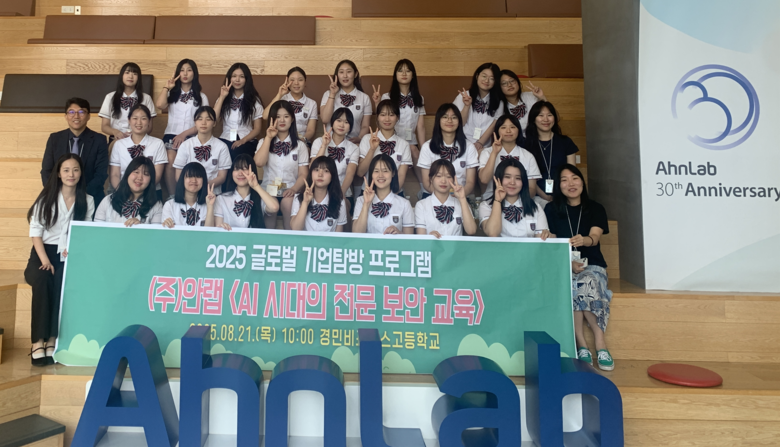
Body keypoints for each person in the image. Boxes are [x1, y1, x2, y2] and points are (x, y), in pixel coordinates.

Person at [26, 153, 94, 366]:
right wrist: (45, 261)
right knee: (43, 279)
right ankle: (37, 341)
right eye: (66, 170)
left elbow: (84, 235)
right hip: (42, 253)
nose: (71, 174)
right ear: (58, 173)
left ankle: (53, 340)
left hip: (69, 254)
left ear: (81, 173)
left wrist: (73, 256)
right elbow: (36, 233)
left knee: (62, 283)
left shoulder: (88, 200)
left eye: (75, 169)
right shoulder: (46, 198)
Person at [544, 164, 613, 371]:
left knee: (584, 282)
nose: (570, 184)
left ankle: (599, 343)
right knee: (570, 284)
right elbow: (552, 241)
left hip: (592, 265)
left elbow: (595, 237)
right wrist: (548, 237)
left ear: (582, 181)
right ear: (559, 186)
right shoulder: (551, 210)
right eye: (564, 180)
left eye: (574, 178)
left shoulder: (596, 208)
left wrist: (585, 240)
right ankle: (582, 344)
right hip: (563, 264)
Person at [371, 59, 427, 196]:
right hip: (391, 140)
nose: (404, 73)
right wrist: (377, 103)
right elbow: (381, 119)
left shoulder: (419, 98)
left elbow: (420, 126)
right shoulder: (387, 96)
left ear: (413, 75)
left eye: (408, 71)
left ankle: (424, 189)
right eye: (400, 70)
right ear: (395, 75)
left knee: (414, 149)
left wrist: (424, 149)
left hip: (411, 142)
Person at [41, 97, 109, 207]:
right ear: (66, 116)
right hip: (59, 198)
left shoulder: (99, 140)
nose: (76, 116)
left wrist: (82, 195)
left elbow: (101, 174)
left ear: (88, 116)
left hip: (91, 197)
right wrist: (60, 195)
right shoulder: (55, 139)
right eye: (71, 112)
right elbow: (46, 171)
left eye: (81, 112)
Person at [156, 59, 209, 198]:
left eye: (189, 70)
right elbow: (160, 105)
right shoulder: (171, 93)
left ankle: (189, 196)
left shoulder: (201, 97)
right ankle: (173, 196)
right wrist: (166, 87)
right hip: (171, 135)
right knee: (170, 159)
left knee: (189, 163)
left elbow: (204, 123)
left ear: (194, 73)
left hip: (192, 136)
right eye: (182, 70)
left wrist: (184, 134)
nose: (185, 73)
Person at [254, 100, 309, 230]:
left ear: (292, 119)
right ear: (272, 119)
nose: (282, 120)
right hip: (268, 190)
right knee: (270, 205)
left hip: (290, 190)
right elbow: (259, 163)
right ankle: (269, 239)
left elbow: (303, 174)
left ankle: (289, 240)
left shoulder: (300, 146)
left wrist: (293, 189)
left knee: (288, 203)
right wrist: (268, 138)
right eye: (278, 117)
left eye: (286, 116)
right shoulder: (263, 141)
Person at [479, 158, 550, 238]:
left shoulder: (535, 207)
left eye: (518, 178)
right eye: (507, 177)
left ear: (523, 182)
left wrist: (546, 235)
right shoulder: (486, 206)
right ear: (497, 179)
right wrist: (497, 201)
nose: (512, 182)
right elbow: (493, 233)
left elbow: (540, 241)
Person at [418, 104, 479, 198]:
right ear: (438, 121)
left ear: (459, 122)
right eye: (445, 117)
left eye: (454, 117)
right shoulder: (427, 147)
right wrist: (445, 197)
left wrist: (459, 195)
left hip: (460, 196)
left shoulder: (469, 147)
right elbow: (426, 182)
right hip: (433, 196)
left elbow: (470, 182)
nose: (449, 120)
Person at [525, 101, 578, 206]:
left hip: (563, 195)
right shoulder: (526, 145)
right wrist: (545, 196)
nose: (546, 119)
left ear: (554, 118)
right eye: (541, 115)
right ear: (533, 119)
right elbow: (527, 177)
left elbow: (571, 173)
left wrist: (561, 195)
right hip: (536, 197)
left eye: (549, 115)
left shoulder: (566, 142)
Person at [108, 104, 166, 198]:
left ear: (149, 121)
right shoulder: (119, 144)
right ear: (129, 120)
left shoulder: (158, 144)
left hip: (150, 193)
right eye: (135, 118)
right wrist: (124, 193)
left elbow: (157, 175)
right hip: (123, 192)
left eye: (143, 118)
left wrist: (139, 194)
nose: (139, 122)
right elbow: (114, 175)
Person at [357, 100, 412, 196]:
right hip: (369, 192)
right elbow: (360, 172)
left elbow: (401, 175)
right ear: (377, 117)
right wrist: (372, 149)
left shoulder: (404, 144)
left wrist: (388, 197)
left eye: (391, 115)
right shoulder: (367, 139)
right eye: (383, 115)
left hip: (395, 193)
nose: (387, 119)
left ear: (397, 117)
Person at [479, 114, 541, 198]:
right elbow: (484, 180)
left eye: (512, 127)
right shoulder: (487, 153)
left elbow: (532, 189)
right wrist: (494, 153)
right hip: (492, 198)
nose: (508, 131)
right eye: (503, 127)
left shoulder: (528, 156)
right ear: (497, 131)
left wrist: (514, 200)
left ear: (518, 130)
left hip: (520, 200)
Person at [173, 106, 231, 194]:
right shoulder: (185, 145)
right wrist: (193, 187)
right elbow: (178, 175)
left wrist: (203, 186)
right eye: (200, 119)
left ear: (214, 123)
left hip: (213, 193)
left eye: (208, 119)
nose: (203, 123)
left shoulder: (222, 147)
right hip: (189, 193)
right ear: (195, 123)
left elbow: (222, 177)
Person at [352, 153, 414, 234]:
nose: (380, 175)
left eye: (385, 171)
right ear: (371, 174)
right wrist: (366, 204)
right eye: (376, 171)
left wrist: (399, 233)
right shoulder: (361, 201)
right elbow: (357, 235)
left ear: (393, 173)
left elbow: (409, 239)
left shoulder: (404, 204)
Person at [214, 154, 279, 230]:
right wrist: (223, 226)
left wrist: (256, 186)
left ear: (253, 172)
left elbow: (274, 207)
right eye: (236, 169)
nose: (240, 173)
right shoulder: (221, 199)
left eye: (245, 169)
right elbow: (218, 228)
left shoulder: (261, 198)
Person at [310, 109, 358, 210]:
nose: (342, 125)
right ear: (332, 122)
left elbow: (350, 174)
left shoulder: (354, 148)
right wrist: (324, 145)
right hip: (319, 191)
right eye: (339, 120)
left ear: (350, 126)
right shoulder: (318, 142)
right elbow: (312, 167)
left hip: (343, 192)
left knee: (343, 206)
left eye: (346, 122)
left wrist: (340, 194)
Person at [213, 63, 264, 160]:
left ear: (247, 79)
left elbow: (257, 129)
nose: (237, 80)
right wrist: (222, 97)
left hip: (246, 140)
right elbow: (213, 118)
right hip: (226, 138)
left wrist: (243, 140)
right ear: (229, 78)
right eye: (234, 76)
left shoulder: (254, 100)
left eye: (241, 76)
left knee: (237, 152)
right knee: (222, 152)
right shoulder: (223, 99)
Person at [414, 159, 476, 237]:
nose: (443, 181)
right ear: (431, 179)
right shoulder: (421, 205)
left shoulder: (460, 203)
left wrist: (462, 198)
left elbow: (471, 231)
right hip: (432, 245)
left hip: (455, 245)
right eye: (438, 176)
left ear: (453, 179)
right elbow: (421, 237)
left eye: (448, 176)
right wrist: (429, 236)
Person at [452, 63, 504, 153]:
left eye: (491, 78)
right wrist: (467, 105)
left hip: (484, 145)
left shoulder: (498, 102)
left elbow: (494, 125)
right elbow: (459, 123)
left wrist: (480, 143)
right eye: (484, 76)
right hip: (462, 142)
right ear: (477, 76)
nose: (486, 80)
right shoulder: (463, 96)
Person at [95, 156, 162, 225]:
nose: (140, 178)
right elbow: (97, 229)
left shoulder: (156, 205)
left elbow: (156, 231)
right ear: (127, 174)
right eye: (136, 172)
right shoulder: (107, 201)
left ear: (151, 180)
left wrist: (140, 227)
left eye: (146, 174)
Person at [99, 62, 156, 142]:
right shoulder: (110, 97)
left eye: (135, 74)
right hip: (116, 139)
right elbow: (104, 126)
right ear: (121, 75)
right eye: (127, 72)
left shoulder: (146, 98)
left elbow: (149, 127)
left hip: (139, 140)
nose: (130, 76)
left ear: (139, 78)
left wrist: (135, 135)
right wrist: (115, 132)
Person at [263, 67, 319, 145]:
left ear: (305, 82)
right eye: (292, 80)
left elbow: (311, 130)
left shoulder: (312, 103)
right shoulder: (281, 99)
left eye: (300, 80)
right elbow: (265, 116)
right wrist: (279, 95)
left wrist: (301, 142)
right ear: (287, 81)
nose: (296, 83)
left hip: (302, 141)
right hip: (281, 140)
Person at [291, 156, 347, 232]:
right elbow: (295, 229)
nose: (320, 174)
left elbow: (338, 236)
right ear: (311, 174)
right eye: (316, 170)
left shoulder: (339, 202)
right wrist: (305, 202)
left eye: (326, 171)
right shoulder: (298, 198)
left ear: (332, 176)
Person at [320, 60, 371, 143]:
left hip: (354, 143)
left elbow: (365, 126)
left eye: (349, 72)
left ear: (355, 74)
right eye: (341, 72)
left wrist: (359, 138)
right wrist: (332, 94)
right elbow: (325, 119)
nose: (345, 76)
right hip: (331, 142)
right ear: (337, 75)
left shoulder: (364, 98)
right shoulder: (328, 94)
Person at [162, 162, 216, 228]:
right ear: (182, 180)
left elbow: (209, 232)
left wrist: (210, 206)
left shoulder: (209, 204)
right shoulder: (169, 205)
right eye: (190, 176)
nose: (194, 180)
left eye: (198, 176)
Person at [499, 69, 546, 137]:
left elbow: (555, 118)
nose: (509, 85)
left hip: (536, 138)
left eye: (512, 81)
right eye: (504, 83)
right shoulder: (499, 106)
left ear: (518, 82)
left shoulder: (531, 96)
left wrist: (542, 97)